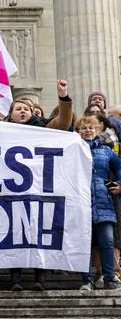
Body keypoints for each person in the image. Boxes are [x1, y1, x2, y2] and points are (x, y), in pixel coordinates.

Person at [7, 80, 73, 291]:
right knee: (13, 234)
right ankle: (15, 279)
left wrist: (63, 97)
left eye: (26, 108)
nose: (23, 111)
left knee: (39, 232)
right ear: (11, 114)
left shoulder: (44, 127)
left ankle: (40, 278)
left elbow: (63, 123)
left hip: (38, 190)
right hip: (10, 192)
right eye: (18, 109)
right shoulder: (1, 130)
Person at [75, 116, 121, 291]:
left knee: (107, 241)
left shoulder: (106, 151)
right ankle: (87, 280)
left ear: (97, 130)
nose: (87, 130)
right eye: (83, 128)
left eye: (91, 128)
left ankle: (110, 278)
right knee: (83, 243)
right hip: (80, 202)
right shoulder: (75, 150)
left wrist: (119, 184)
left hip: (104, 202)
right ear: (78, 132)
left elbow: (119, 167)